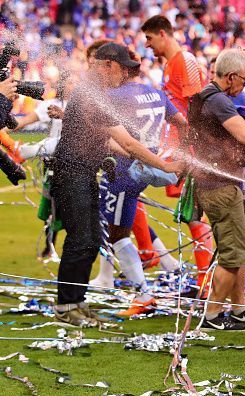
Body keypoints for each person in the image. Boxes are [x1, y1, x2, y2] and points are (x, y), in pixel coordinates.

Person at [50, 42, 184, 326]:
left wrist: (142, 161)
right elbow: (126, 141)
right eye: (123, 70)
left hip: (82, 172)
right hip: (71, 172)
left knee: (90, 239)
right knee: (81, 239)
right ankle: (66, 306)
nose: (124, 76)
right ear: (108, 65)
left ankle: (77, 301)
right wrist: (163, 165)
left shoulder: (95, 94)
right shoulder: (92, 95)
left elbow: (111, 142)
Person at [90, 44, 188, 316]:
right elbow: (181, 121)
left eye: (104, 68)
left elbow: (117, 139)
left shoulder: (114, 97)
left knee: (117, 235)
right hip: (144, 171)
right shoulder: (155, 93)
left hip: (123, 171)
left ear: (118, 69)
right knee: (121, 228)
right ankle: (146, 285)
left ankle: (143, 295)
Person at [185, 48, 245, 331]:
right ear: (232, 76)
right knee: (232, 254)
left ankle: (238, 309)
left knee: (237, 249)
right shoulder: (219, 100)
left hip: (214, 183)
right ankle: (212, 315)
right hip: (221, 187)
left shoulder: (204, 97)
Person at [141, 15, 212, 284]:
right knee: (194, 211)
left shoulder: (185, 61)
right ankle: (202, 277)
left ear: (162, 34)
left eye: (149, 38)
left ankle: (204, 280)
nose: (147, 45)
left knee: (198, 211)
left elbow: (198, 106)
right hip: (176, 144)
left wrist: (188, 148)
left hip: (188, 147)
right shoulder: (171, 64)